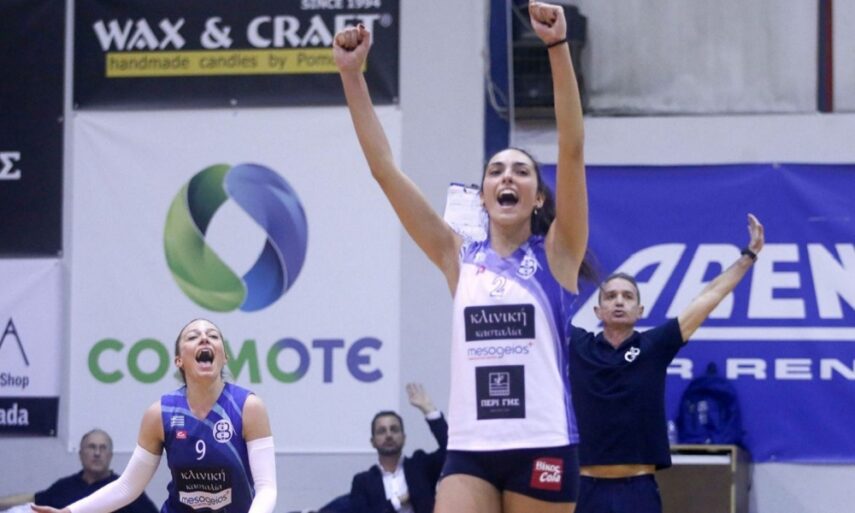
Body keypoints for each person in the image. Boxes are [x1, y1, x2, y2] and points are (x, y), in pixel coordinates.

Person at [333, 2, 591, 512]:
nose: (506, 176)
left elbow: (572, 148)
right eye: (496, 171)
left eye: (521, 171)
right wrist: (352, 76)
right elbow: (384, 169)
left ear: (538, 197)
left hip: (542, 441)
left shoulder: (559, 253)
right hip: (471, 449)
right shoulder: (457, 255)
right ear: (484, 195)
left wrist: (558, 48)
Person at [568, 214, 765, 513]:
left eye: (627, 296)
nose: (619, 301)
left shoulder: (654, 347)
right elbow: (542, 305)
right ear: (597, 310)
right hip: (585, 489)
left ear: (640, 310)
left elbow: (708, 298)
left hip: (637, 489)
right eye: (610, 296)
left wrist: (747, 257)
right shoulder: (578, 345)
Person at [30, 319, 277, 513]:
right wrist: (71, 511)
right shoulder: (160, 413)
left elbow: (266, 488)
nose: (204, 338)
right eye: (193, 336)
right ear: (179, 360)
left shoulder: (248, 407)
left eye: (213, 336)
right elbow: (128, 486)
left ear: (224, 357)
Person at [0, 429, 157, 513]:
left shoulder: (124, 489)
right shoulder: (64, 487)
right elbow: (34, 499)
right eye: (92, 447)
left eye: (103, 448)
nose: (97, 453)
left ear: (110, 455)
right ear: (81, 454)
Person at [350, 383, 448, 513]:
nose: (389, 435)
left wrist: (429, 410)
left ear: (404, 438)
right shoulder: (363, 482)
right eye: (381, 431)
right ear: (373, 442)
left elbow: (451, 450)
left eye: (394, 429)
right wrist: (398, 501)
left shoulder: (421, 467)